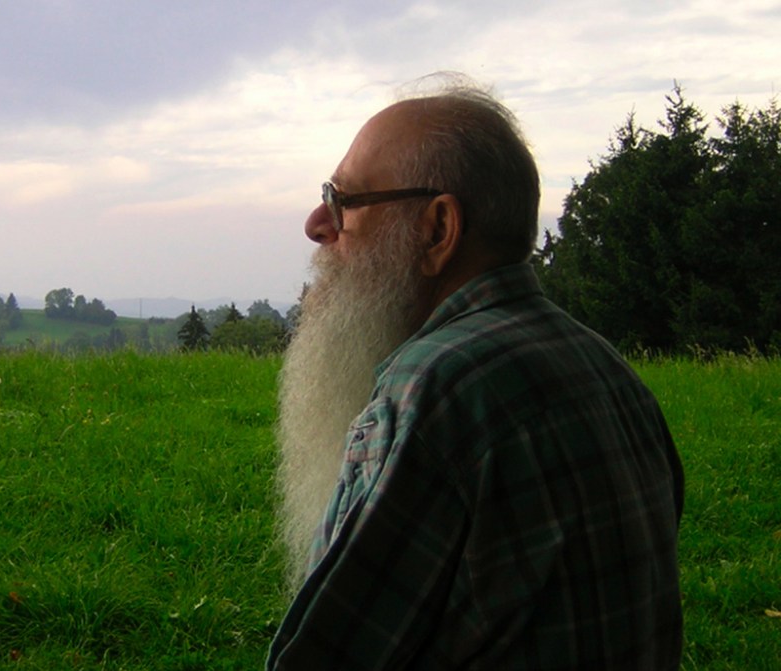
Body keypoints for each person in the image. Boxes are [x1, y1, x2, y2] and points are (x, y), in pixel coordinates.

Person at [270, 79, 684, 670]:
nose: (317, 224)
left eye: (343, 201)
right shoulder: (608, 369)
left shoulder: (434, 392)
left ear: (438, 229)